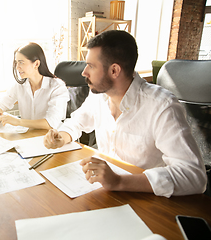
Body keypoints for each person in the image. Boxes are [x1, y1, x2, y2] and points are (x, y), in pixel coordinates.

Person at [43, 30, 207, 197]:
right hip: (106, 193)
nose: (84, 72)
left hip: (146, 199)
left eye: (91, 66)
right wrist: (61, 136)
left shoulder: (162, 106)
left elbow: (194, 176)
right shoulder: (99, 96)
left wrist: (118, 182)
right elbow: (78, 121)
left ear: (114, 71)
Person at [0, 42, 69, 130]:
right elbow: (1, 104)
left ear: (36, 64)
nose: (17, 67)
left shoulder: (57, 87)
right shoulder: (19, 85)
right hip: (29, 136)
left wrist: (18, 122)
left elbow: (51, 123)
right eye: (16, 62)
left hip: (51, 139)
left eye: (21, 62)